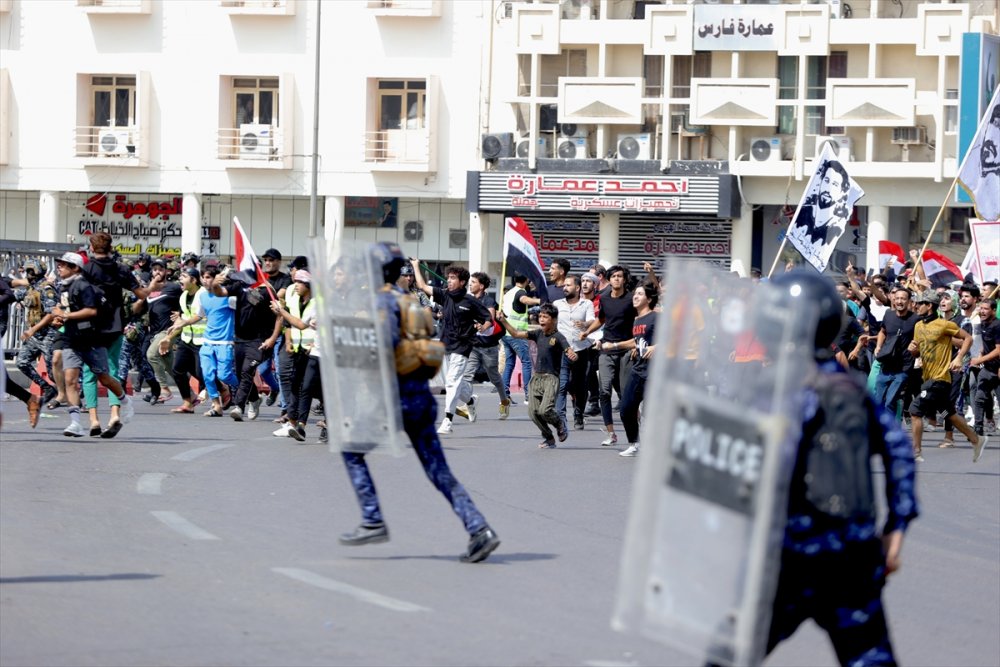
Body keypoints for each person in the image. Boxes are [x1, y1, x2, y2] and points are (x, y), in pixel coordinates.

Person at [755, 270, 918, 667]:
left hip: (783, 557)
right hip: (850, 557)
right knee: (869, 659)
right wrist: (896, 528)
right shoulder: (850, 389)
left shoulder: (767, 391)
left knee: (731, 653)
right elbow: (899, 452)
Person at [337, 242, 500, 564]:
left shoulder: (378, 305)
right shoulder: (412, 304)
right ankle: (478, 528)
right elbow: (427, 352)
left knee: (351, 451)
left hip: (392, 400)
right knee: (438, 470)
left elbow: (379, 353)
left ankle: (372, 518)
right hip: (420, 398)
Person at [51, 252, 135, 438]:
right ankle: (75, 423)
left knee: (104, 378)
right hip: (72, 340)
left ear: (76, 268)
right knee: (71, 380)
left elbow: (91, 311)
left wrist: (65, 316)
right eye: (59, 264)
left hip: (92, 341)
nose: (60, 267)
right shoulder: (64, 287)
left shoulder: (83, 286)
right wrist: (59, 319)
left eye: (64, 265)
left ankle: (125, 401)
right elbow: (66, 310)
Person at [409, 259, 492, 435]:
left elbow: (488, 319)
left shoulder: (470, 301)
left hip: (463, 346)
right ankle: (470, 400)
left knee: (452, 382)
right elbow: (423, 286)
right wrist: (416, 266)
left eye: (453, 278)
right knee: (453, 382)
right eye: (448, 277)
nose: (449, 280)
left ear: (462, 282)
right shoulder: (443, 295)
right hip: (446, 345)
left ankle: (448, 420)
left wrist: (483, 327)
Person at [906, 290, 985, 463]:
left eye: (920, 303)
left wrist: (958, 357)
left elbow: (968, 339)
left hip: (940, 379)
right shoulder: (919, 326)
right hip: (927, 377)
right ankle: (976, 439)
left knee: (914, 410)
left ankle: (916, 452)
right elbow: (918, 352)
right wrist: (913, 351)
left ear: (929, 306)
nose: (916, 306)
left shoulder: (943, 324)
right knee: (947, 413)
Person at [498, 303, 577, 448]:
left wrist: (572, 355)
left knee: (544, 410)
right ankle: (549, 438)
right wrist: (503, 320)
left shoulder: (559, 337)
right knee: (533, 412)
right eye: (540, 316)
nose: (541, 319)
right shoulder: (537, 334)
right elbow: (515, 334)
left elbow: (569, 350)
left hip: (551, 379)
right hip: (536, 379)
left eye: (545, 317)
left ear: (553, 320)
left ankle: (560, 423)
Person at [582, 265, 636, 447]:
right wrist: (587, 331)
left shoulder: (631, 299)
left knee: (626, 394)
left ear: (624, 280)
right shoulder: (604, 298)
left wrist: (637, 343)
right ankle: (611, 433)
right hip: (606, 349)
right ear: (609, 279)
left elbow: (640, 320)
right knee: (604, 391)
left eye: (620, 276)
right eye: (613, 276)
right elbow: (602, 319)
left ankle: (635, 429)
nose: (616, 279)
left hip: (627, 350)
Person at [270, 270, 320, 442]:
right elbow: (296, 324)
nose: (296, 285)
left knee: (318, 390)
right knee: (301, 386)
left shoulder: (320, 302)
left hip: (319, 352)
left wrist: (281, 311)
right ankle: (298, 425)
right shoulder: (296, 299)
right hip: (305, 351)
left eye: (300, 282)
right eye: (295, 282)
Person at [614, 281, 658, 457]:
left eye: (640, 294)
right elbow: (640, 339)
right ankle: (634, 443)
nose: (635, 297)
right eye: (635, 294)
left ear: (648, 298)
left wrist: (657, 347)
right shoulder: (637, 319)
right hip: (639, 368)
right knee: (626, 408)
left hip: (655, 372)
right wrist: (616, 345)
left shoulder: (656, 316)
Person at [462, 272, 511, 419]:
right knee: (467, 375)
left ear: (481, 286)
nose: (470, 284)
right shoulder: (468, 299)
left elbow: (489, 317)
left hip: (489, 348)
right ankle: (468, 405)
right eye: (470, 282)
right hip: (473, 346)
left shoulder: (488, 300)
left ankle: (504, 401)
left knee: (495, 378)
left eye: (473, 282)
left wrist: (484, 325)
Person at [13, 260, 60, 406]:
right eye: (27, 271)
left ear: (37, 272)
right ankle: (47, 388)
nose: (27, 274)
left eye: (30, 272)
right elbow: (11, 295)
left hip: (48, 334)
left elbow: (51, 314)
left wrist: (33, 329)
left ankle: (74, 394)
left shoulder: (47, 289)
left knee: (54, 372)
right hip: (35, 336)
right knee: (22, 362)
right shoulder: (30, 288)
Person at [553, 275, 596, 431]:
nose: (564, 288)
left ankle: (579, 414)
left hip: (581, 350)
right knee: (562, 384)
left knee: (580, 386)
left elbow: (592, 320)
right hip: (563, 350)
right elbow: (551, 323)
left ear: (577, 288)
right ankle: (561, 418)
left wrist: (584, 324)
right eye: (564, 285)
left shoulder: (587, 304)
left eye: (568, 285)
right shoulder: (557, 304)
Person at [500, 273, 540, 404]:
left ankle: (504, 395)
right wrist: (541, 301)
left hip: (506, 333)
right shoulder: (521, 292)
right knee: (526, 362)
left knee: (509, 364)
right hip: (516, 333)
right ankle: (528, 395)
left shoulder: (508, 292)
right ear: (527, 279)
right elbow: (525, 300)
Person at [969, 298, 999, 447]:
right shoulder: (983, 324)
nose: (982, 311)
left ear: (993, 310)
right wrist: (980, 356)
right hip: (987, 369)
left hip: (998, 370)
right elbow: (986, 345)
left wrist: (979, 360)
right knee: (979, 398)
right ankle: (978, 429)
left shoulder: (997, 325)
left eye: (986, 309)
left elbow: (999, 350)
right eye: (981, 308)